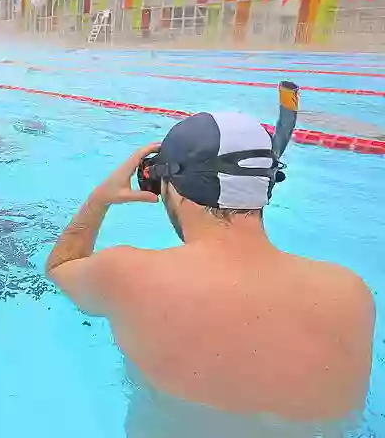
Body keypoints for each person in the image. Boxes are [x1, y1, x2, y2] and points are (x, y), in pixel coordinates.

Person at [46, 112, 373, 436]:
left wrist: (98, 200)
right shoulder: (350, 293)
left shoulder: (128, 273)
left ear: (169, 185)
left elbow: (59, 268)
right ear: (267, 186)